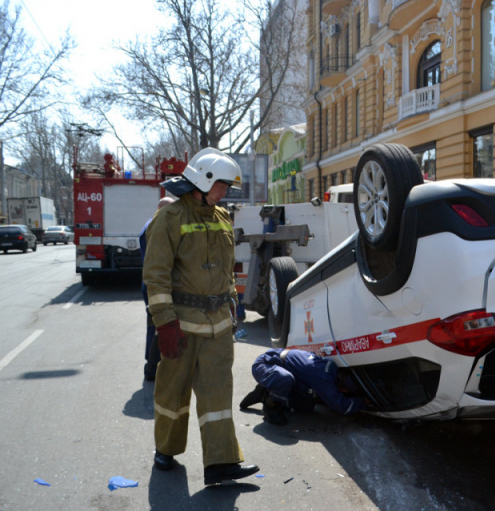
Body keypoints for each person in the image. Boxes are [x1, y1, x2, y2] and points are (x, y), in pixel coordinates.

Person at [143, 147, 259, 485]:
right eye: (222, 186)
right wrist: (164, 323)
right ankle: (166, 449)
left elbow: (226, 270)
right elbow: (156, 275)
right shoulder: (170, 218)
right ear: (203, 181)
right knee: (173, 392)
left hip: (219, 326)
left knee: (218, 395)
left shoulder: (222, 217)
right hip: (181, 325)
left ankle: (221, 462)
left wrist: (234, 305)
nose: (225, 193)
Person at [240, 348, 367, 426]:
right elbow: (340, 405)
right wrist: (363, 402)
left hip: (278, 368)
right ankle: (270, 407)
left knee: (306, 406)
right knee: (285, 379)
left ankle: (266, 392)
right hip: (264, 364)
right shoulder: (323, 376)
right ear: (343, 389)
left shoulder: (332, 368)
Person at [140, 196, 175, 381]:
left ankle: (151, 363)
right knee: (157, 325)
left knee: (154, 324)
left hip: (151, 283)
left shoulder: (150, 224)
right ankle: (152, 368)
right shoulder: (155, 227)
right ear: (162, 210)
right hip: (156, 284)